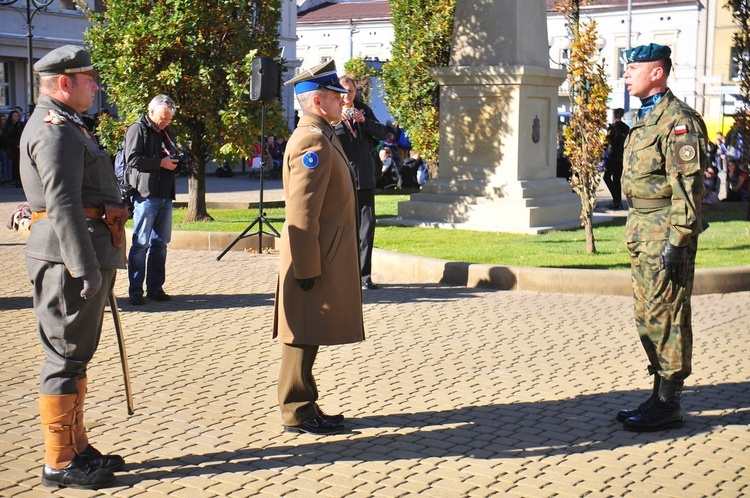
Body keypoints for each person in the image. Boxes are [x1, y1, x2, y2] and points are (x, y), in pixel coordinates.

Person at [19, 45, 128, 490]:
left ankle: (77, 446)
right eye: (89, 78)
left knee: (76, 357)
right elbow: (62, 203)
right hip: (68, 258)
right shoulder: (56, 131)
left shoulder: (69, 126)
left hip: (77, 253)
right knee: (64, 356)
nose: (96, 86)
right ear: (65, 83)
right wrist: (86, 269)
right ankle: (59, 462)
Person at [619, 43, 708, 432]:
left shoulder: (679, 121)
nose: (626, 75)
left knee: (668, 314)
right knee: (647, 314)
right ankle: (658, 394)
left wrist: (679, 240)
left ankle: (669, 404)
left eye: (632, 69)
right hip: (642, 230)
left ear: (657, 72)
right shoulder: (645, 118)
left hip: (664, 232)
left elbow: (688, 188)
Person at [274, 60, 365, 435]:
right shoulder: (312, 139)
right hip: (312, 256)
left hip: (321, 252)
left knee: (309, 333)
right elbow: (302, 211)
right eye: (334, 95)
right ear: (316, 100)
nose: (342, 101)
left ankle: (306, 404)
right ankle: (296, 410)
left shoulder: (322, 133)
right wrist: (307, 266)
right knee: (302, 333)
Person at [334, 75, 390, 290]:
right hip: (342, 181)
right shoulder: (332, 114)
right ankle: (342, 275)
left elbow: (383, 133)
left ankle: (364, 276)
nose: (347, 96)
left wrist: (363, 121)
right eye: (343, 91)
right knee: (343, 230)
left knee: (366, 231)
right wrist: (339, 121)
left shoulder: (364, 109)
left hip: (365, 178)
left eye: (351, 91)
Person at [124, 95, 180, 305]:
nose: (165, 122)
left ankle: (155, 287)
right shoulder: (138, 129)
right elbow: (132, 159)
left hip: (165, 194)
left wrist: (177, 161)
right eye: (162, 118)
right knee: (140, 243)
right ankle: (135, 290)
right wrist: (161, 163)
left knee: (160, 244)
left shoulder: (166, 131)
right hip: (146, 195)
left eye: (169, 119)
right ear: (151, 111)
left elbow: (171, 154)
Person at [603, 108, 630, 210]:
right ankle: (618, 202)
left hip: (613, 156)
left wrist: (603, 152)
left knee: (606, 177)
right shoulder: (626, 128)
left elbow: (608, 141)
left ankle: (616, 200)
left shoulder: (612, 127)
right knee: (617, 179)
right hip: (622, 156)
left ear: (615, 115)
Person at [5, 108, 24, 187]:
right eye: (15, 116)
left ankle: (20, 181)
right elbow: (7, 138)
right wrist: (15, 145)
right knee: (14, 164)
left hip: (20, 146)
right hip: (12, 147)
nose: (16, 118)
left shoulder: (20, 125)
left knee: (20, 164)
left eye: (17, 116)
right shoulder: (8, 126)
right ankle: (15, 180)